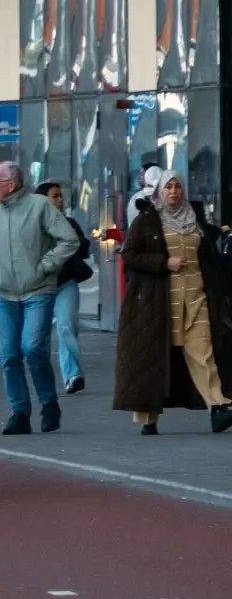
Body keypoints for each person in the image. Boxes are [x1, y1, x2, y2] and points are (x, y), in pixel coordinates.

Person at [115, 171, 232, 436]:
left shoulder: (195, 218)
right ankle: (148, 417)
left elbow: (210, 257)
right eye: (169, 187)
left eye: (178, 186)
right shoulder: (148, 219)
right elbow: (130, 255)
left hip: (196, 297)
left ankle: (219, 407)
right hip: (160, 303)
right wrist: (162, 263)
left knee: (204, 353)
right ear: (159, 191)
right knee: (156, 359)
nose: (174, 192)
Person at [0, 161, 77, 435]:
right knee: (8, 355)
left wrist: (44, 267)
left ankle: (48, 402)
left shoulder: (39, 206)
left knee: (33, 347)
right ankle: (19, 412)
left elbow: (69, 240)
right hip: (4, 294)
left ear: (11, 184)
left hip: (38, 290)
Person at [38, 180, 93, 396]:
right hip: (39, 286)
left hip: (65, 284)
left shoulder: (69, 223)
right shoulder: (32, 224)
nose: (60, 200)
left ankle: (73, 375)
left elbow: (84, 248)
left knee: (67, 325)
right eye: (55, 196)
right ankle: (41, 378)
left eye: (61, 196)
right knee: (35, 338)